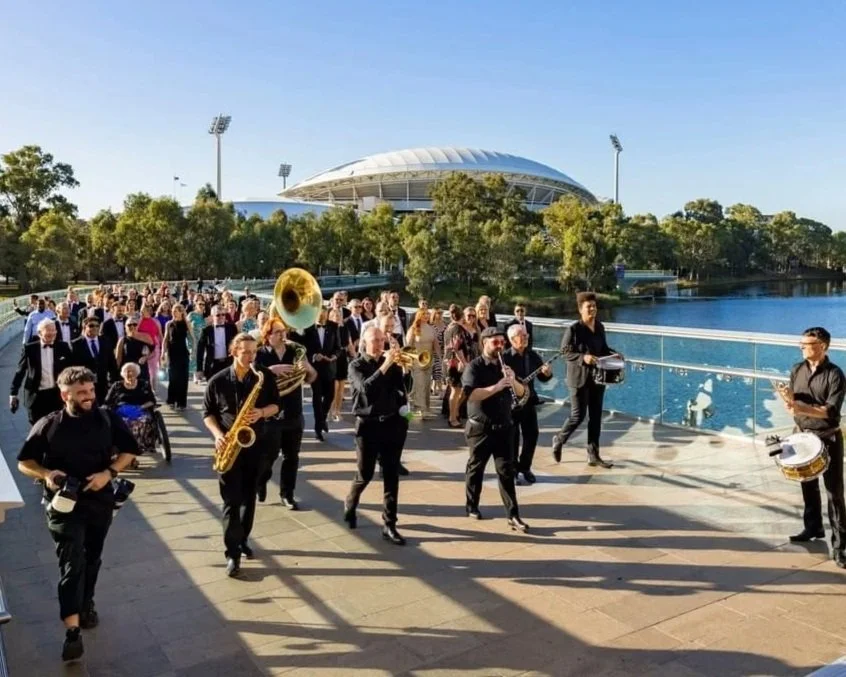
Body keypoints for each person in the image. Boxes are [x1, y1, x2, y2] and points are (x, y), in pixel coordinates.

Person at [16, 367, 139, 661]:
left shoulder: (107, 418)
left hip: (100, 501)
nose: (89, 397)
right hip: (63, 504)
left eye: (91, 391)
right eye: (82, 393)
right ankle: (72, 631)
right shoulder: (49, 424)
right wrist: (46, 473)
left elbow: (129, 451)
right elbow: (24, 461)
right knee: (72, 561)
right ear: (65, 395)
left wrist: (108, 473)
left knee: (92, 556)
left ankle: (87, 604)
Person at [203, 333, 280, 577]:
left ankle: (243, 538)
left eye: (254, 352)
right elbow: (208, 414)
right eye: (245, 352)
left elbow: (278, 405)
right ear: (233, 352)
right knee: (231, 503)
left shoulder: (263, 376)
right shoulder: (217, 381)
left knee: (249, 498)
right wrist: (217, 435)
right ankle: (232, 554)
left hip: (255, 446)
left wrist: (261, 412)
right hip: (228, 447)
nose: (250, 357)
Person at [780, 327, 846, 568]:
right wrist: (788, 401)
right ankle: (813, 527)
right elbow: (794, 404)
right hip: (802, 436)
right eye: (801, 343)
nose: (802, 347)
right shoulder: (796, 370)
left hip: (828, 437)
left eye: (807, 344)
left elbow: (830, 411)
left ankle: (840, 547)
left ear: (823, 346)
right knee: (807, 485)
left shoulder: (835, 375)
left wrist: (799, 408)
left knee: (834, 492)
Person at [343, 325, 409, 545]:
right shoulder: (355, 365)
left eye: (382, 340)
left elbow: (403, 389)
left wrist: (403, 368)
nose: (381, 344)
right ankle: (350, 504)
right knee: (365, 474)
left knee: (391, 476)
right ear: (364, 342)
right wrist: (388, 363)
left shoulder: (389, 363)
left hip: (391, 424)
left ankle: (389, 524)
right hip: (367, 427)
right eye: (375, 340)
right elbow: (365, 390)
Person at [462, 327, 528, 531]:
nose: (500, 346)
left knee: (506, 472)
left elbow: (523, 393)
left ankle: (513, 515)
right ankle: (472, 505)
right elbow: (471, 394)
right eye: (495, 342)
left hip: (504, 427)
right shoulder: (474, 367)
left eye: (502, 342)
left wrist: (513, 380)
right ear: (484, 343)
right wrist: (497, 387)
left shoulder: (506, 365)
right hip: (480, 428)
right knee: (476, 468)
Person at [551, 292, 621, 469]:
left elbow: (603, 348)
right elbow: (565, 351)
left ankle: (593, 455)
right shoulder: (574, 329)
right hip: (578, 378)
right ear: (580, 309)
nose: (592, 309)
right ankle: (559, 439)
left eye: (594, 306)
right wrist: (584, 358)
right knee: (578, 415)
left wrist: (614, 354)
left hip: (597, 378)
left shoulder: (600, 327)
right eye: (588, 306)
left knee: (596, 417)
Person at [255, 319, 317, 508]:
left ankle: (287, 494)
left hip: (294, 412)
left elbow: (312, 378)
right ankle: (260, 481)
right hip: (271, 415)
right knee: (269, 456)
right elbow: (252, 380)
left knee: (292, 457)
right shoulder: (260, 355)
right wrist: (270, 371)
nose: (282, 335)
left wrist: (308, 368)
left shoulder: (295, 352)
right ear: (267, 336)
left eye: (284, 331)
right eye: (277, 332)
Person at [502, 324, 553, 484]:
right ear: (511, 339)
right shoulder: (505, 358)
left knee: (532, 435)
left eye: (526, 335)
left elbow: (543, 379)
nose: (525, 338)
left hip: (529, 402)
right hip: (511, 405)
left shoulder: (532, 356)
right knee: (513, 438)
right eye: (521, 335)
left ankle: (525, 467)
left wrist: (547, 373)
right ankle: (513, 469)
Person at [10, 319, 74, 424]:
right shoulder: (29, 349)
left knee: (56, 427)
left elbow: (70, 370)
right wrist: (13, 393)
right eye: (48, 330)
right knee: (37, 429)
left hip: (56, 396)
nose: (52, 333)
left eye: (54, 330)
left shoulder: (63, 347)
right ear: (40, 333)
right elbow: (20, 371)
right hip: (36, 397)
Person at [303, 308, 339, 441]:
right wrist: (313, 356)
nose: (322, 317)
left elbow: (338, 347)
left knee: (330, 396)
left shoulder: (334, 326)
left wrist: (334, 356)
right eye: (319, 315)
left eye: (324, 315)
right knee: (317, 398)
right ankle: (318, 428)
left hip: (330, 367)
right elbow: (303, 348)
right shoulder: (308, 328)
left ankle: (322, 419)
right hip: (314, 369)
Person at [71, 317, 119, 404]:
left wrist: (113, 380)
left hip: (103, 383)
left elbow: (112, 363)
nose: (95, 328)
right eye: (91, 326)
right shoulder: (75, 344)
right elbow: (73, 366)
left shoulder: (105, 341)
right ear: (84, 327)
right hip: (85, 384)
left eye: (97, 326)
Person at [405, 309, 439, 417]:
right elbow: (408, 346)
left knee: (426, 384)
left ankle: (426, 407)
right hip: (416, 360)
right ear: (418, 315)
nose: (426, 316)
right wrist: (408, 361)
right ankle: (421, 408)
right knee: (419, 383)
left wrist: (440, 357)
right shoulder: (413, 329)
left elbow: (436, 344)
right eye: (424, 314)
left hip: (428, 359)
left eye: (428, 314)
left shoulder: (431, 329)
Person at [162, 303, 193, 410]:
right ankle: (171, 400)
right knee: (173, 377)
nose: (174, 313)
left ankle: (181, 403)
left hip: (183, 352)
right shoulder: (169, 324)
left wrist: (193, 351)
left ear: (181, 312)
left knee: (183, 378)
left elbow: (192, 338)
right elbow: (165, 339)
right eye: (173, 311)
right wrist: (163, 352)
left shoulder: (186, 323)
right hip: (172, 352)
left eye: (176, 311)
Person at [197, 305, 238, 381]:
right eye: (218, 315)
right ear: (212, 317)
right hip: (212, 365)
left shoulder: (232, 328)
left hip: (228, 364)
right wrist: (199, 369)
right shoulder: (206, 331)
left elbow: (237, 346)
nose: (221, 317)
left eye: (223, 314)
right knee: (212, 390)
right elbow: (200, 351)